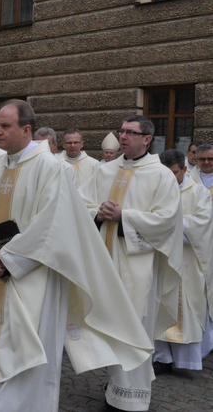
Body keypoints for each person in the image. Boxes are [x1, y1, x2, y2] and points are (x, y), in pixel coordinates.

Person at [0, 100, 152, 412]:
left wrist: (8, 259)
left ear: (27, 129)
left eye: (5, 126)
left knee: (32, 354)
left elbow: (54, 223)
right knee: (0, 346)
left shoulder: (50, 168)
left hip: (35, 277)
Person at [80, 115, 183, 412]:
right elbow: (81, 203)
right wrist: (98, 214)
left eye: (130, 132)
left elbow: (167, 221)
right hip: (105, 263)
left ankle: (131, 399)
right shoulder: (105, 170)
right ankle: (115, 386)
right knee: (110, 327)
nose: (123, 136)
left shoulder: (160, 175)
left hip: (137, 267)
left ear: (147, 139)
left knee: (133, 327)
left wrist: (124, 216)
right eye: (122, 131)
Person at [153, 149, 213, 374]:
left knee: (186, 311)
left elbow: (202, 225)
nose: (170, 178)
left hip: (188, 261)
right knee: (160, 305)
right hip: (162, 258)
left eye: (174, 173)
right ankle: (162, 358)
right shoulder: (157, 190)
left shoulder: (197, 192)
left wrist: (168, 223)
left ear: (185, 169)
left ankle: (185, 361)